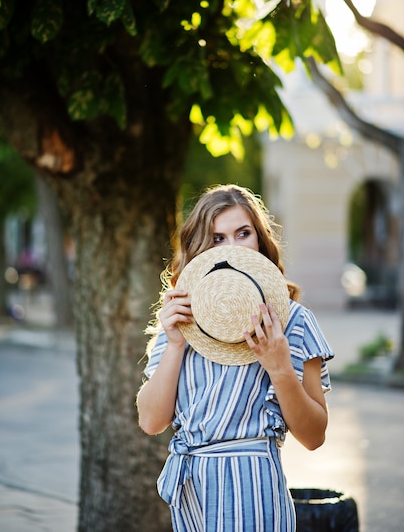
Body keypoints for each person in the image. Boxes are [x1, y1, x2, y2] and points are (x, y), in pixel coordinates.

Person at [136, 184, 334, 532]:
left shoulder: (295, 320)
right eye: (217, 238)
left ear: (259, 241)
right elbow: (151, 422)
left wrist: (279, 367)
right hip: (191, 489)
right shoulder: (182, 318)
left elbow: (314, 436)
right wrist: (176, 345)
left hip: (254, 491)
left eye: (243, 234)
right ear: (200, 248)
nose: (231, 248)